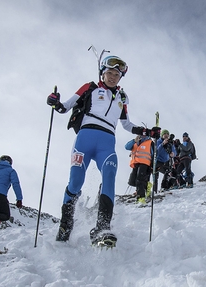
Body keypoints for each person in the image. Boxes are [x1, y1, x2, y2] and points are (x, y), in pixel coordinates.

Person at [47, 55, 160, 245]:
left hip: (107, 142)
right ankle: (65, 224)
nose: (113, 77)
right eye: (110, 73)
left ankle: (102, 227)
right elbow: (64, 107)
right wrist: (54, 101)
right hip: (85, 138)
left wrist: (147, 131)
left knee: (109, 175)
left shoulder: (122, 98)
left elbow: (126, 124)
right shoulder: (90, 88)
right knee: (75, 183)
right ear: (103, 72)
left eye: (117, 74)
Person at [125, 134, 154, 204]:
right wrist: (134, 141)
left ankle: (141, 197)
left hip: (145, 163)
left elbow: (153, 154)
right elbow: (126, 147)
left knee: (139, 179)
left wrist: (152, 165)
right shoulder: (135, 142)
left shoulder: (150, 142)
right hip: (136, 163)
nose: (142, 135)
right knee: (132, 181)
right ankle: (146, 186)